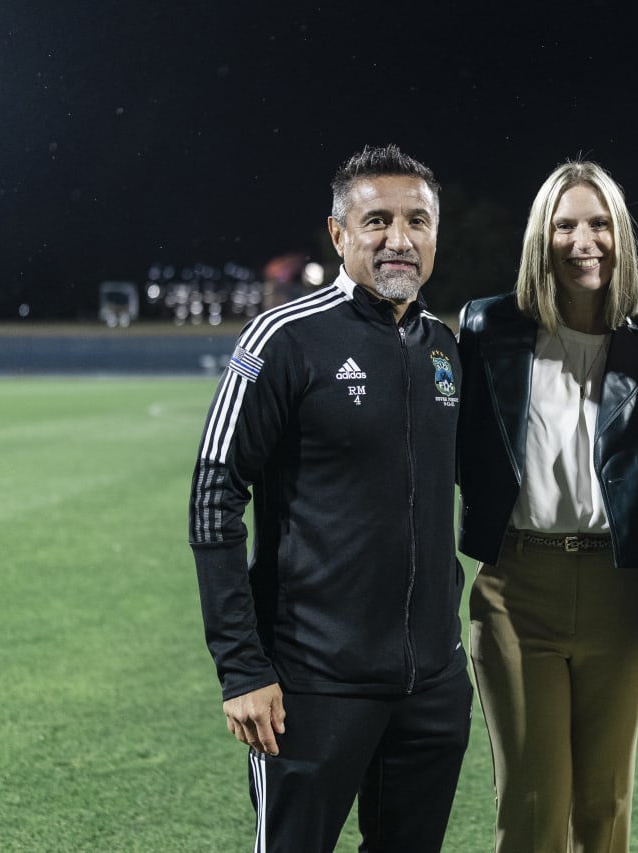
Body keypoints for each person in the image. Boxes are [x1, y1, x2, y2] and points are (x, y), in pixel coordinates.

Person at [187, 144, 472, 853]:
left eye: (417, 220)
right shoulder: (284, 337)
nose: (399, 239)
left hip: (430, 684)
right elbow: (213, 494)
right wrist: (243, 667)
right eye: (376, 221)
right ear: (339, 233)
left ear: (436, 235)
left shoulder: (444, 347)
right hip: (311, 684)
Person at [456, 160, 638, 853]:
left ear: (621, 236)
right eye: (567, 223)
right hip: (518, 588)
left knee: (603, 802)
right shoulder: (487, 330)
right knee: (533, 800)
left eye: (600, 223)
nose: (585, 240)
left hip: (622, 590)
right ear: (540, 239)